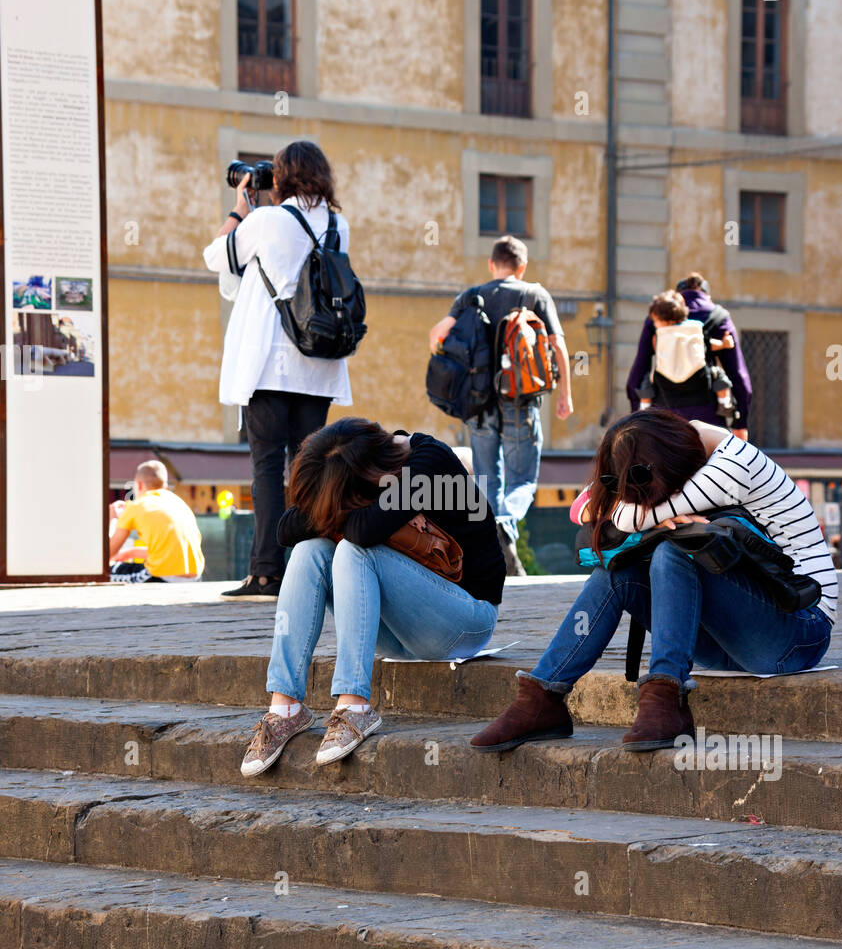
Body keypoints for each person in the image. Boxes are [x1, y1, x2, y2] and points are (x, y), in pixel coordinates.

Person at [471, 409, 836, 753]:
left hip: (799, 630)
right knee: (617, 575)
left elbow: (627, 518)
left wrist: (648, 514)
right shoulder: (677, 446)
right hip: (732, 638)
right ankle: (542, 698)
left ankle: (665, 698)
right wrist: (653, 512)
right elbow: (582, 506)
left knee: (676, 548)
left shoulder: (734, 465)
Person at [240, 417, 505, 775]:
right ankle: (285, 708)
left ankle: (355, 707)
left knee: (354, 549)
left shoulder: (429, 464)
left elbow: (365, 530)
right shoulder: (365, 468)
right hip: (400, 630)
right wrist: (339, 498)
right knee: (309, 551)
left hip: (464, 622)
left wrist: (336, 504)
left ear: (366, 472)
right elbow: (287, 529)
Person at [203, 141, 351, 599]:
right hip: (319, 366)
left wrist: (239, 209)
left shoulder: (266, 221)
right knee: (309, 471)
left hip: (270, 366)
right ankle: (312, 572)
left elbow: (217, 256)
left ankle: (267, 573)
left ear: (281, 177)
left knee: (267, 469)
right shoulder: (338, 224)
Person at [428, 234, 573, 577]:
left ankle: (491, 550)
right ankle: (506, 524)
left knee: (487, 479)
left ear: (492, 264)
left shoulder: (471, 296)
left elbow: (437, 336)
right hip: (520, 400)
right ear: (522, 267)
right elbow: (557, 346)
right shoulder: (534, 294)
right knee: (523, 479)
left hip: (477, 403)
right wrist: (565, 393)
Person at [627, 273, 751, 438]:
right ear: (707, 296)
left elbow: (639, 370)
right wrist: (740, 422)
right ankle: (724, 403)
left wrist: (638, 414)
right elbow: (739, 375)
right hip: (708, 414)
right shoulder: (719, 317)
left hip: (664, 410)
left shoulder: (655, 319)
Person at [637, 289, 736, 418]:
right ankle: (725, 403)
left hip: (665, 379)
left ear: (667, 321)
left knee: (647, 382)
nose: (655, 324)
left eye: (656, 321)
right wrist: (724, 344)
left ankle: (644, 407)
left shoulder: (659, 335)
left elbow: (656, 350)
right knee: (718, 375)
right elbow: (706, 345)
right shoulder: (695, 329)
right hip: (696, 377)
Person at [109, 460, 204, 582]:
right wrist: (130, 553)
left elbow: (109, 554)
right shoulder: (178, 503)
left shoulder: (137, 505)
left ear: (138, 485)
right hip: (195, 576)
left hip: (163, 575)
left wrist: (112, 518)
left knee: (107, 573)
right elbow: (170, 551)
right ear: (164, 486)